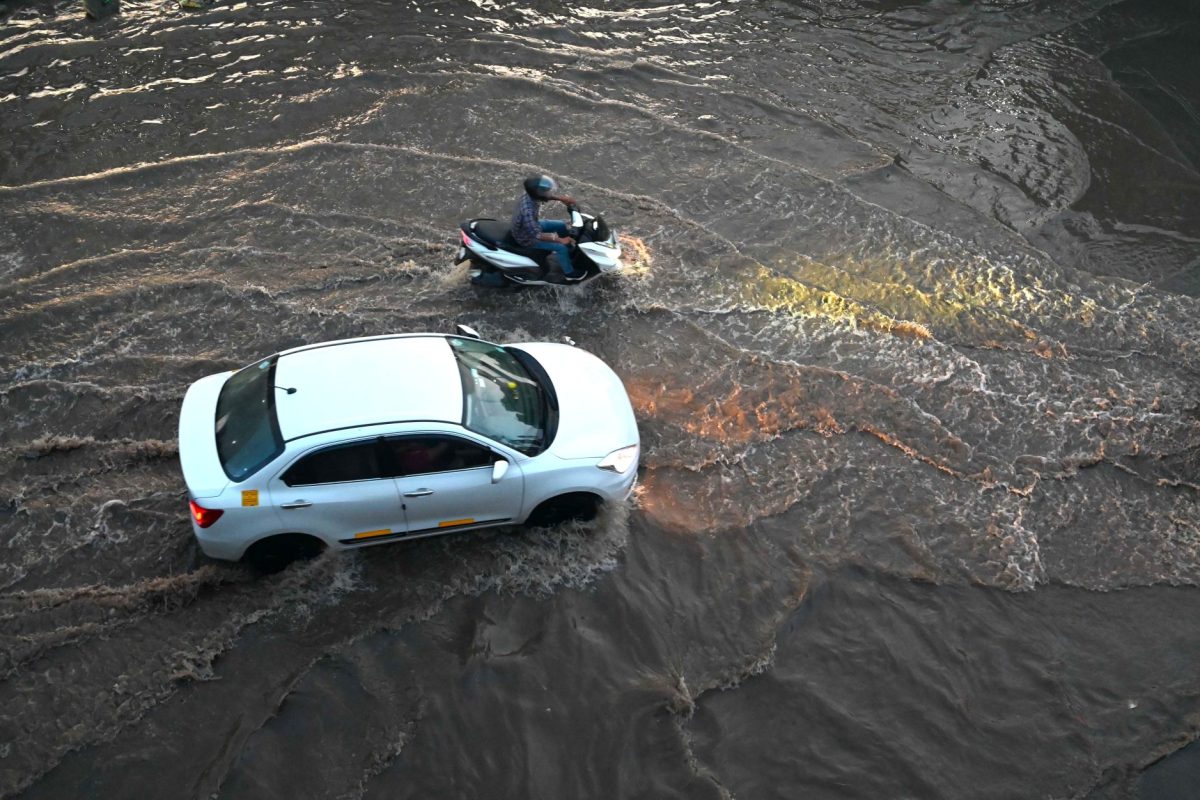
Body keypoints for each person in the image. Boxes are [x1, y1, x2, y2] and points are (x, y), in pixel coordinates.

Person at [511, 174, 582, 281]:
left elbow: (543, 195)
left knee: (560, 225)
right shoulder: (527, 212)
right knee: (560, 247)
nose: (549, 193)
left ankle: (569, 249)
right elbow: (536, 235)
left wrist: (561, 198)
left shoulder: (530, 194)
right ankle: (569, 274)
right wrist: (560, 240)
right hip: (526, 237)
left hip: (532, 225)